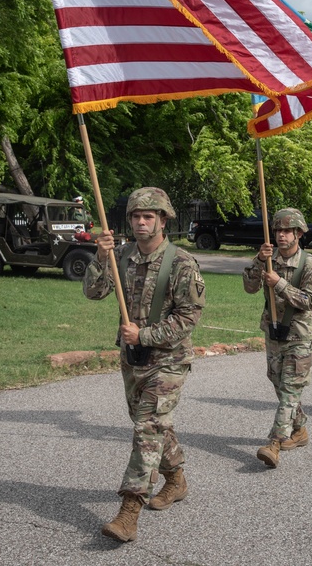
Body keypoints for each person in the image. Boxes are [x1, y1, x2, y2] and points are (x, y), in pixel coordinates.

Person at [83, 187, 206, 543]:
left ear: (163, 220)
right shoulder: (121, 255)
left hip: (168, 360)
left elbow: (188, 318)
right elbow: (94, 292)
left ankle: (129, 511)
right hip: (132, 359)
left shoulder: (181, 263)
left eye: (148, 216)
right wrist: (100, 256)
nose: (140, 222)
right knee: (152, 425)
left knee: (147, 427)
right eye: (136, 216)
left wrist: (146, 335)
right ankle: (177, 479)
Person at [242, 208, 312, 468]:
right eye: (278, 230)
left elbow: (308, 301)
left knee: (290, 389)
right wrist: (258, 260)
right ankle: (299, 429)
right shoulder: (268, 259)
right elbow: (250, 288)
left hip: (300, 334)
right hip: (275, 331)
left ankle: (274, 443)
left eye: (287, 230)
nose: (281, 235)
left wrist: (279, 283)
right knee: (278, 382)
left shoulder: (309, 264)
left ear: (299, 233)